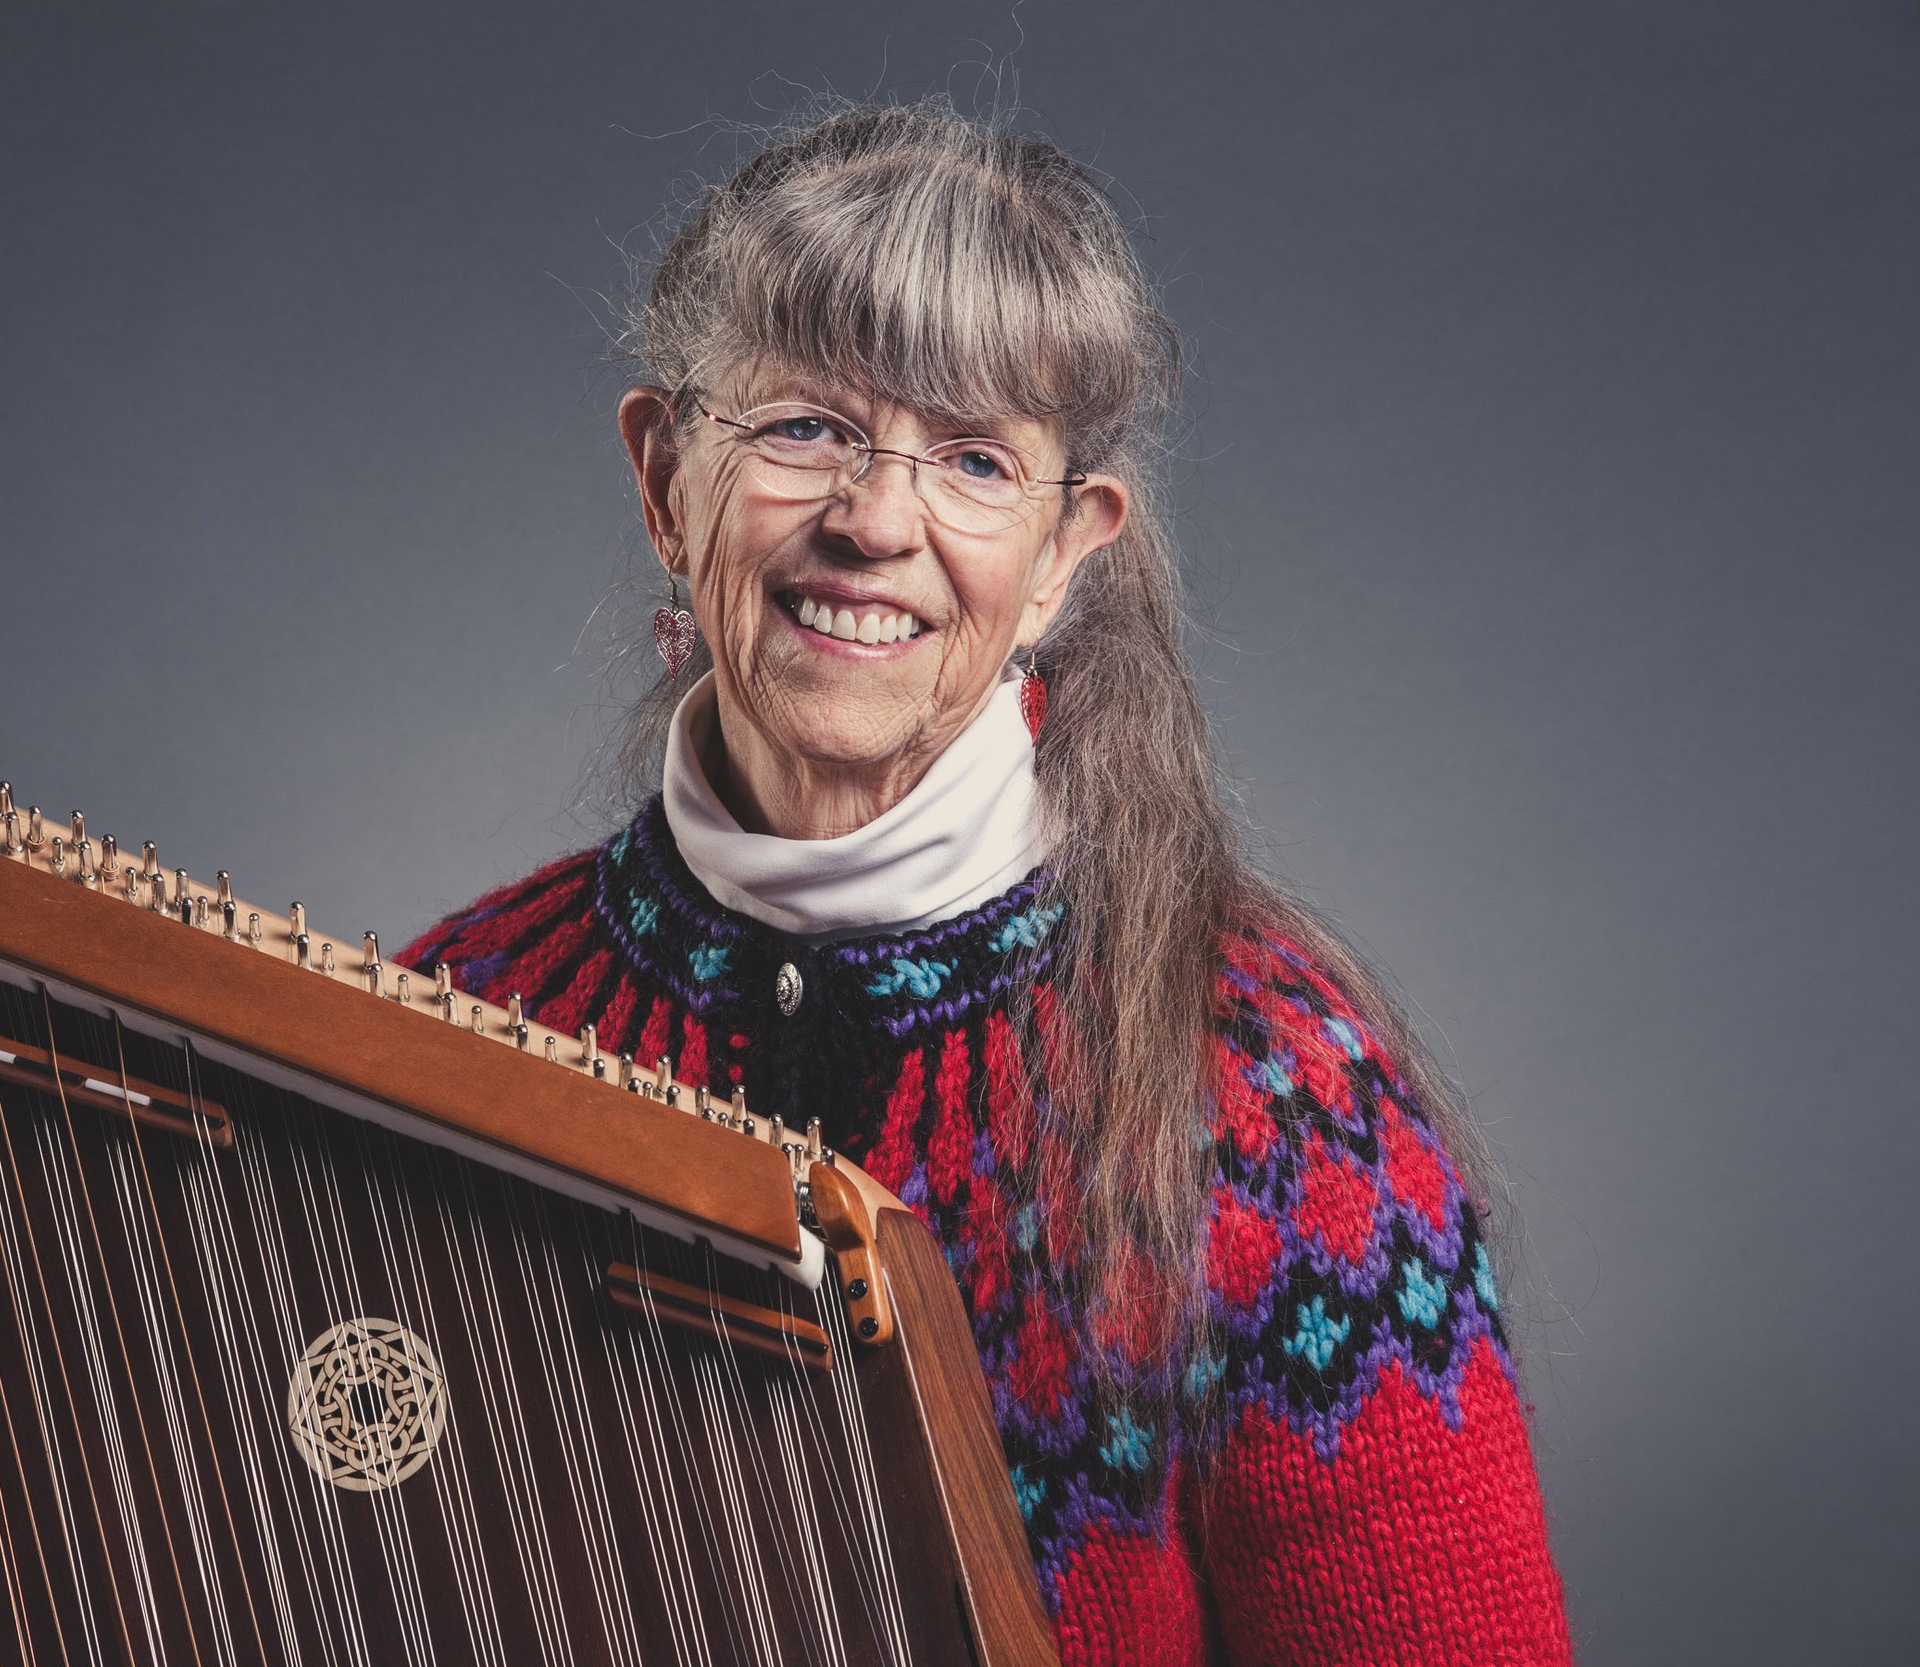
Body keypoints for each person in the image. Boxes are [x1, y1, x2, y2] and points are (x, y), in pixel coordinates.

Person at [401, 99, 1572, 1665]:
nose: (875, 522)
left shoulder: (1283, 1107)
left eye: (970, 459)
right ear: (662, 475)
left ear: (1069, 553)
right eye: (803, 425)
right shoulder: (452, 1019)